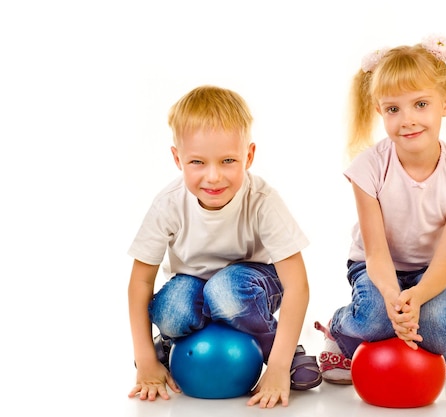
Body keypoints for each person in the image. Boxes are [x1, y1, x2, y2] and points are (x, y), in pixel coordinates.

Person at [127, 85, 321, 408]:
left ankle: (279, 345)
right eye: (198, 162)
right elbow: (140, 283)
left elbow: (297, 285)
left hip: (251, 286)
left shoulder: (262, 201)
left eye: (228, 160)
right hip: (193, 284)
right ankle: (171, 343)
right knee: (171, 310)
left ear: (249, 156)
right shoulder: (168, 205)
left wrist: (277, 366)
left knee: (223, 293)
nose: (213, 177)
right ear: (178, 159)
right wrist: (145, 357)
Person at [314, 34, 446, 385]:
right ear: (380, 111)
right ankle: (340, 329)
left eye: (420, 104)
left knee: (436, 330)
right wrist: (394, 300)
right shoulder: (368, 169)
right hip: (375, 267)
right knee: (376, 319)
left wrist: (418, 297)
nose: (407, 119)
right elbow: (376, 252)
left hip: (436, 271)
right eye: (394, 109)